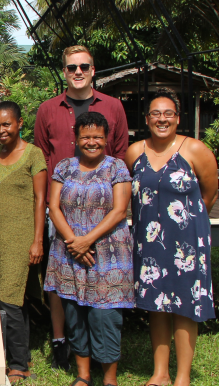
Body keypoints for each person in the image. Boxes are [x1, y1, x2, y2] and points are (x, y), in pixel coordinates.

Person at [33, 45, 129, 370]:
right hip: (61, 209)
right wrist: (66, 229)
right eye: (71, 67)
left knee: (102, 284)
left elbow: (120, 152)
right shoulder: (48, 109)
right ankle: (62, 341)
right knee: (63, 281)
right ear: (64, 71)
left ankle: (103, 359)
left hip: (105, 215)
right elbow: (43, 158)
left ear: (92, 70)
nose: (78, 72)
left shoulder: (113, 107)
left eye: (84, 66)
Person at [126, 93, 218, 386]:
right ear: (147, 119)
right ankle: (160, 372)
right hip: (149, 239)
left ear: (178, 118)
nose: (162, 119)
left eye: (168, 114)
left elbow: (210, 195)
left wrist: (185, 224)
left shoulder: (194, 149)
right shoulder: (134, 152)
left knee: (185, 306)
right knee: (156, 303)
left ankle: (182, 377)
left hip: (187, 241)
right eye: (155, 114)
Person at [44, 112, 134, 386]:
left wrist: (87, 240)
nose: (91, 142)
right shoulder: (64, 167)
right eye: (86, 137)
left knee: (104, 316)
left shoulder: (117, 168)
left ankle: (109, 378)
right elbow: (54, 206)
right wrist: (74, 241)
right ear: (76, 138)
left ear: (106, 139)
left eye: (97, 137)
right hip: (69, 252)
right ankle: (83, 376)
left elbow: (119, 211)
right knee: (74, 312)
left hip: (107, 254)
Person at [0, 101, 48, 384]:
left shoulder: (34, 154)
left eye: (6, 124)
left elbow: (41, 200)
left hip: (21, 236)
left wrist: (37, 241)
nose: (1, 130)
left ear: (20, 123)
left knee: (10, 297)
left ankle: (18, 362)